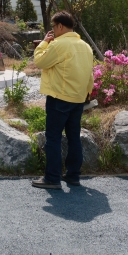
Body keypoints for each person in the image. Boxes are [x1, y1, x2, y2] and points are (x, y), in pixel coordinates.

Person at [30, 11, 94, 190]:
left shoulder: (58, 44)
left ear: (59, 26)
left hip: (59, 98)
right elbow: (90, 75)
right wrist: (87, 94)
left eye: (54, 27)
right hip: (78, 98)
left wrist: (44, 43)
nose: (54, 31)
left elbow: (40, 62)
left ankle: (52, 178)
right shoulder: (85, 46)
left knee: (53, 137)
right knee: (74, 137)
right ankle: (73, 175)